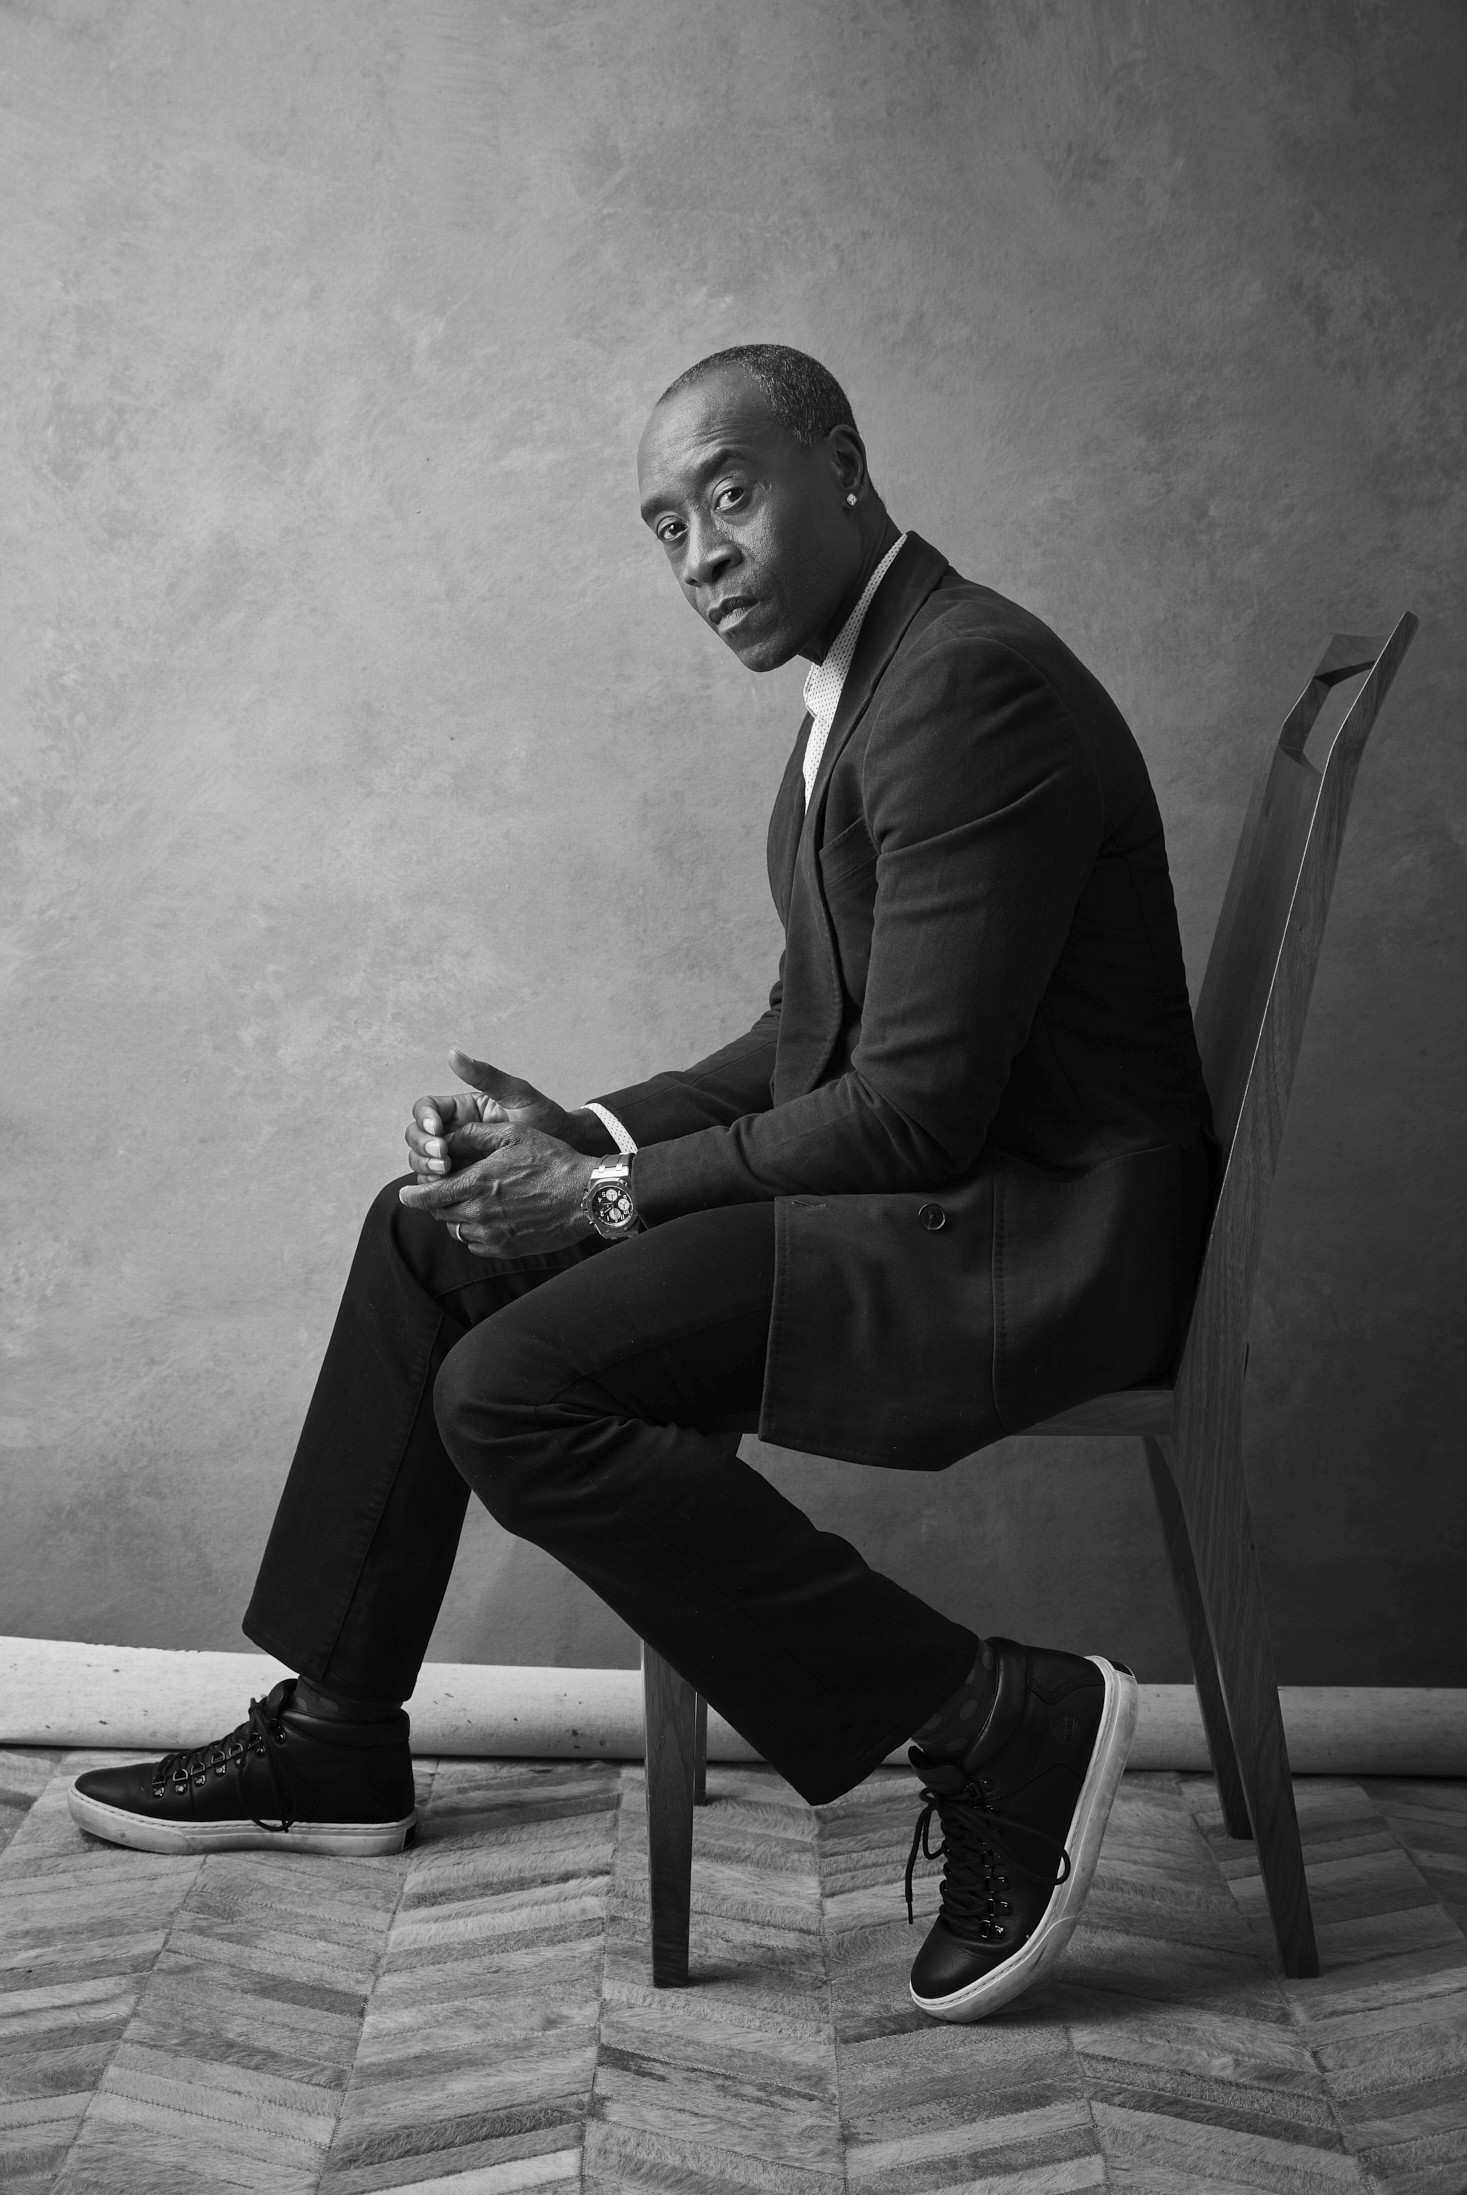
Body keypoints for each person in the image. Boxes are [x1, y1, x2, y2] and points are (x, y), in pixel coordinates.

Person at [69, 343, 1214, 2025]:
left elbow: (908, 1116)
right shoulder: (874, 680)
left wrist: (605, 1202)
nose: (702, 558)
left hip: (1024, 1246)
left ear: (844, 465)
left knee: (510, 1391)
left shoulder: (968, 690)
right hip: (939, 1206)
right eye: (667, 528)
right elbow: (804, 1039)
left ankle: (991, 1714)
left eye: (730, 497)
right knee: (429, 1238)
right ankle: (335, 1732)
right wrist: (583, 1141)